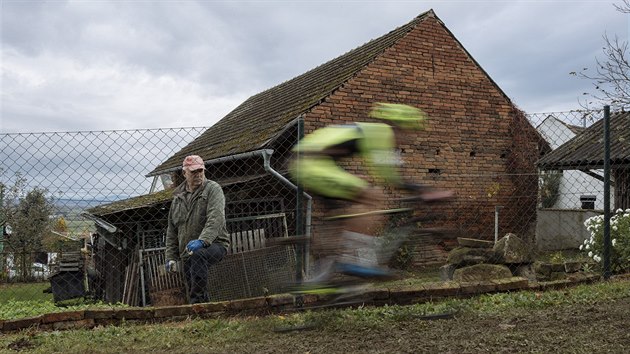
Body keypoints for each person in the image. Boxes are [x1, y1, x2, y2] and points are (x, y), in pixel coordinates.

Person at [290, 103, 452, 285]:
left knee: (345, 213)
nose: (407, 139)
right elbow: (391, 177)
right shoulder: (382, 134)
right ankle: (356, 260)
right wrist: (426, 192)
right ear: (398, 127)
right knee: (373, 196)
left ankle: (322, 272)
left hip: (308, 162)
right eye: (408, 132)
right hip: (312, 164)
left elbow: (381, 172)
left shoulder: (372, 132)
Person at [165, 155, 230, 304]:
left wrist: (203, 240)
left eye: (201, 171)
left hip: (215, 244)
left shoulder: (212, 189)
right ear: (184, 173)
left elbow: (216, 217)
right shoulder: (177, 200)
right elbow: (172, 231)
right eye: (194, 172)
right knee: (193, 282)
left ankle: (196, 304)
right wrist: (170, 257)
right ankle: (203, 311)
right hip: (187, 251)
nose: (198, 175)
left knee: (198, 256)